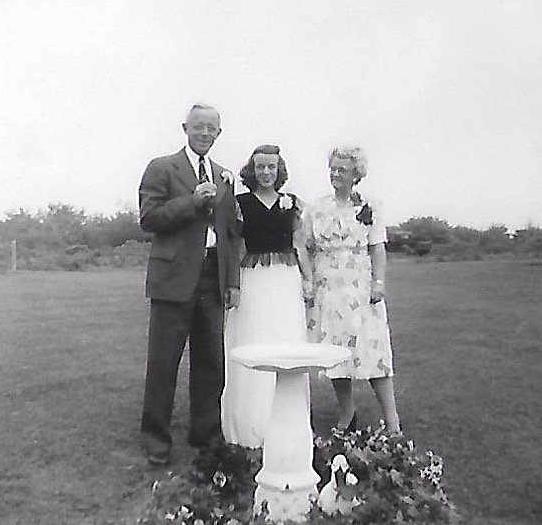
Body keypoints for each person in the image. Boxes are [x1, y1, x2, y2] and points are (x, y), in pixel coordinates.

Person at [138, 104, 241, 465]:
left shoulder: (224, 175)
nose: (204, 133)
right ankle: (155, 440)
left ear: (219, 134)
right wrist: (191, 202)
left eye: (211, 128)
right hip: (173, 279)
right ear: (185, 128)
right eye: (198, 126)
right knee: (164, 363)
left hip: (212, 278)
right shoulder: (161, 167)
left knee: (211, 363)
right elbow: (149, 219)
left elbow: (228, 234)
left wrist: (231, 281)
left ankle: (205, 435)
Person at [302, 146, 401, 433]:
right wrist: (308, 279)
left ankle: (392, 418)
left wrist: (378, 283)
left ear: (356, 174)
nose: (335, 174)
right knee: (335, 353)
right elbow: (303, 245)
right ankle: (347, 413)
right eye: (332, 168)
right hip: (328, 287)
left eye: (342, 169)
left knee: (373, 350)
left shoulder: (370, 205)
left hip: (360, 285)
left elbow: (378, 249)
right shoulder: (316, 207)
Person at [221, 144, 311, 449]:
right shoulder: (240, 202)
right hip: (255, 277)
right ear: (252, 169)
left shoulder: (293, 203)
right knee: (254, 338)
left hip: (286, 279)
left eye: (272, 167)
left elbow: (299, 244)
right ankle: (251, 423)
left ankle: (287, 420)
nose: (266, 173)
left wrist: (308, 279)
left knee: (286, 340)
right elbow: (233, 244)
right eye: (260, 167)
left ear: (279, 169)